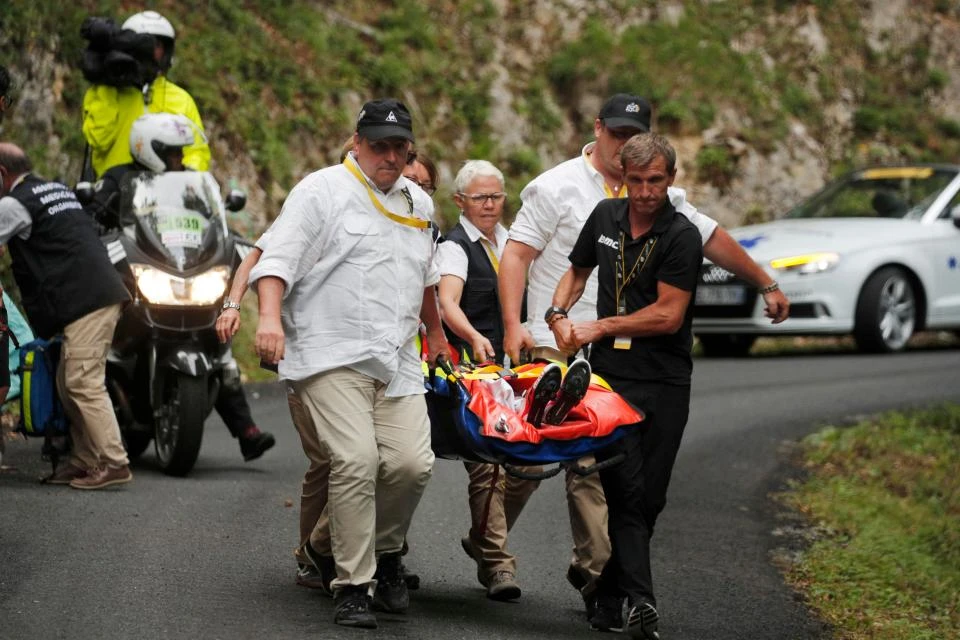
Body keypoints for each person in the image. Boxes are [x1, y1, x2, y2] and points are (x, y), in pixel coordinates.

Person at [497, 93, 791, 614]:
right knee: (530, 457)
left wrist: (765, 282)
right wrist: (516, 325)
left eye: (635, 135)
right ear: (598, 129)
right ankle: (491, 544)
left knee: (596, 471)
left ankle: (601, 580)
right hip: (554, 341)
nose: (625, 145)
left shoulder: (665, 203)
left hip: (616, 349)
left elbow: (714, 239)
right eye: (618, 134)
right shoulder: (557, 186)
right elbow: (518, 255)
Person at [249, 98, 447, 629]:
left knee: (411, 465)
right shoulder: (321, 191)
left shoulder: (418, 203)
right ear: (357, 143)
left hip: (397, 357)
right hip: (329, 352)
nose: (389, 156)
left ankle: (367, 550)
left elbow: (425, 278)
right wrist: (268, 319)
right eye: (378, 145)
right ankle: (354, 585)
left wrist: (436, 333)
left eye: (399, 147)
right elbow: (276, 260)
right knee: (356, 460)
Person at [550, 132, 701, 638]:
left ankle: (607, 592)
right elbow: (576, 273)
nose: (645, 192)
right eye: (636, 181)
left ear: (671, 178)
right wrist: (557, 313)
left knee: (649, 499)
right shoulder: (604, 217)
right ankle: (642, 603)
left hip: (665, 379)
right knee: (624, 491)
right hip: (611, 380)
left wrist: (600, 326)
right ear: (623, 178)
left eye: (655, 181)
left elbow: (668, 315)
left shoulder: (682, 235)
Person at [90, 113, 275, 462]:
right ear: (149, 149)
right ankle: (77, 431)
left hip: (183, 269)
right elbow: (92, 218)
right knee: (96, 341)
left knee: (216, 342)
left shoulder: (192, 181)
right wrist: (96, 221)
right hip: (137, 273)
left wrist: (228, 244)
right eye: (171, 151)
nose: (179, 157)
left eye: (180, 151)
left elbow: (210, 221)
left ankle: (246, 430)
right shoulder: (117, 179)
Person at [436, 159, 540, 601]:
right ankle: (498, 564)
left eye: (496, 196)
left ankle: (481, 537)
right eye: (480, 197)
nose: (490, 205)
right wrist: (474, 336)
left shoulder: (513, 242)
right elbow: (447, 303)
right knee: (486, 466)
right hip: (472, 374)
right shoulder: (454, 247)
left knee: (531, 464)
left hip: (516, 372)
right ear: (460, 201)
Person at [0, 142, 133, 489]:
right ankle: (84, 460)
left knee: (83, 382)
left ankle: (114, 461)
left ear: (2, 173)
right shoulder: (54, 190)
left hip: (88, 301)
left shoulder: (15, 204)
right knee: (66, 382)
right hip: (96, 294)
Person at [82, 10, 210, 178]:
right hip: (113, 189)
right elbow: (98, 141)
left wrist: (186, 178)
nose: (150, 51)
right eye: (144, 44)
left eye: (157, 45)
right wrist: (108, 84)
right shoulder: (105, 91)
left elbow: (196, 151)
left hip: (164, 190)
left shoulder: (181, 99)